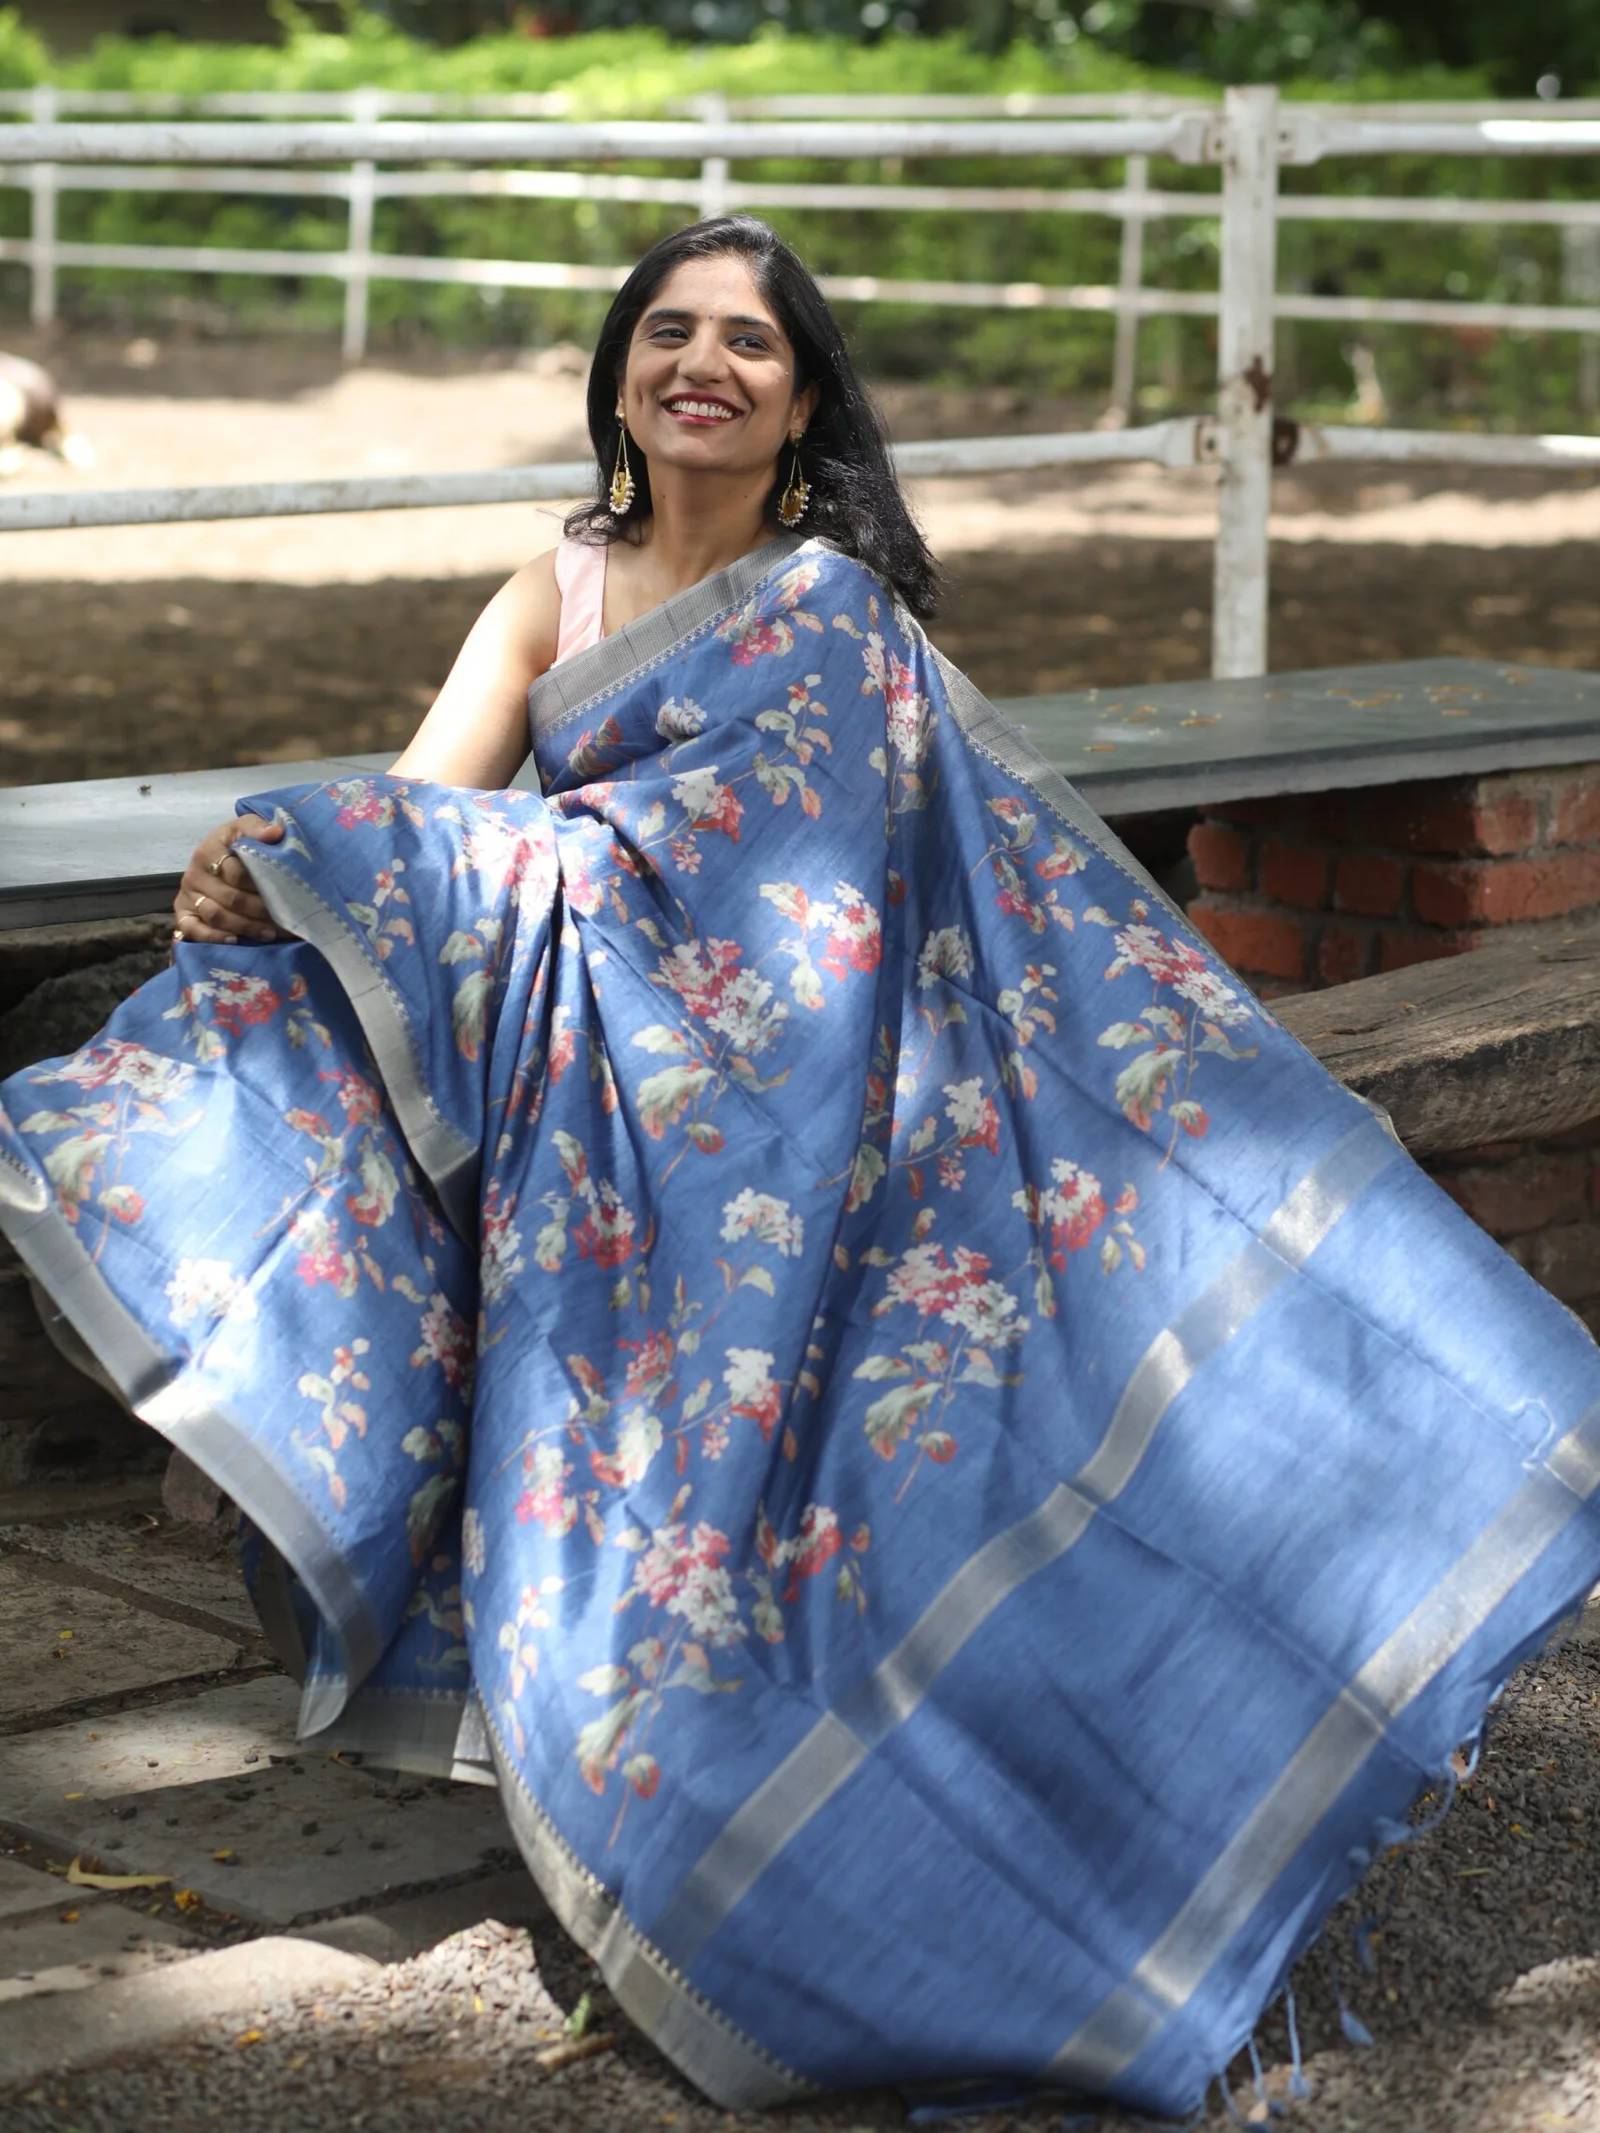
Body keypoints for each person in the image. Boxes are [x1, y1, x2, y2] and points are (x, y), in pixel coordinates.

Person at [4, 217, 1599, 2123]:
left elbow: (869, 911)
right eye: (666, 331)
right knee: (206, 1050)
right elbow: (427, 824)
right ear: (616, 378)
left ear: (803, 398)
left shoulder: (833, 613)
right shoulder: (552, 594)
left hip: (834, 1123)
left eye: (749, 343)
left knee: (941, 1449)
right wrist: (272, 869)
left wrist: (374, 858)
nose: (703, 364)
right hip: (613, 1129)